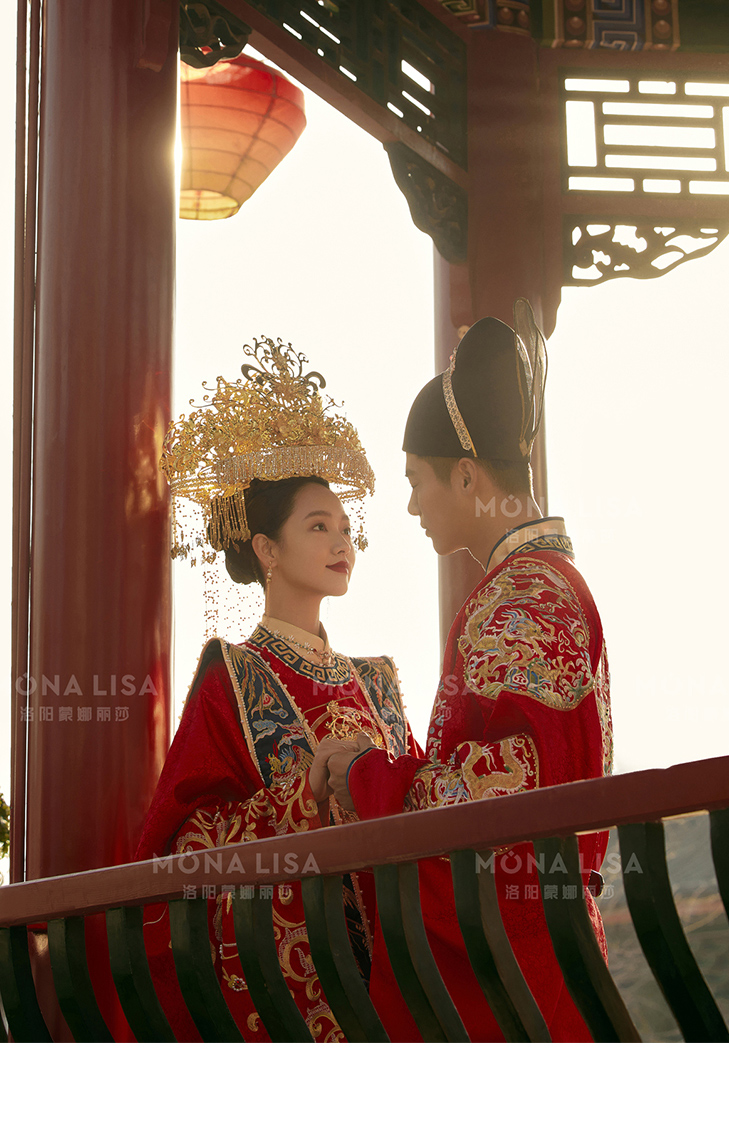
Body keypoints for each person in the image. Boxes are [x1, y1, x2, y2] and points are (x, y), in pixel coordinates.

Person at [324, 300, 613, 1043]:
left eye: (416, 479)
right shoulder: (546, 583)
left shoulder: (520, 598)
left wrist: (366, 777)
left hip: (516, 969)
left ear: (463, 475)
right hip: (550, 949)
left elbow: (508, 790)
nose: (411, 504)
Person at [135, 336, 418, 1042]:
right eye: (318, 526)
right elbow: (188, 846)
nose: (342, 543)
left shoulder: (378, 682)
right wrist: (305, 796)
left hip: (397, 965)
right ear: (266, 548)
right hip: (299, 978)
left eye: (345, 527)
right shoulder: (233, 677)